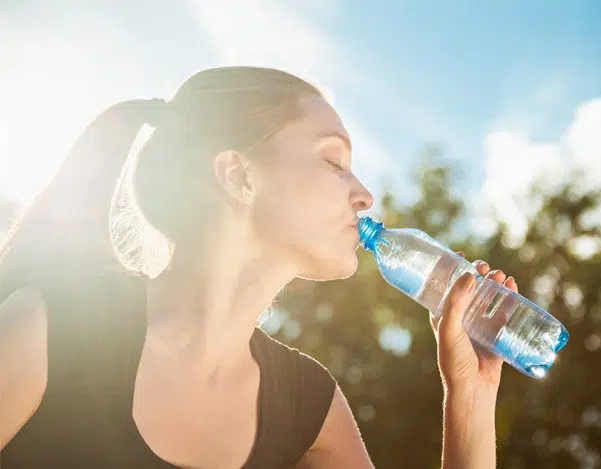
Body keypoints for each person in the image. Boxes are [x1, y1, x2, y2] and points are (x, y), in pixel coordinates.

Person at [0, 66, 518, 468]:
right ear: (239, 175)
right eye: (334, 162)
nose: (364, 195)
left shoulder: (307, 406)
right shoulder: (54, 331)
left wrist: (469, 396)